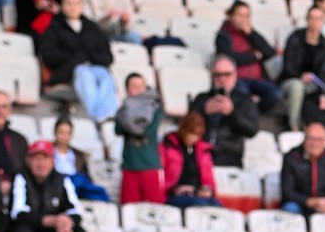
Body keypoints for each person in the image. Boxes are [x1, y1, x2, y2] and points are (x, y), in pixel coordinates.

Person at [40, 0, 117, 123]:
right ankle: (97, 118)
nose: (73, 7)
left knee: (106, 75)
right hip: (67, 71)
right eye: (69, 3)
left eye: (76, 3)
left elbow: (108, 57)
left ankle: (109, 114)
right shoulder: (54, 28)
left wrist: (88, 56)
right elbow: (49, 56)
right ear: (63, 6)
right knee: (83, 74)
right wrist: (76, 57)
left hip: (93, 66)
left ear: (82, 6)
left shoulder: (93, 28)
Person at [280, 4, 325, 133]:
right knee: (297, 86)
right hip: (292, 79)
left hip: (315, 83)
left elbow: (323, 72)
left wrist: (321, 93)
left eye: (319, 18)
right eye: (312, 18)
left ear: (323, 21)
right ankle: (294, 127)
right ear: (307, 19)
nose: (315, 21)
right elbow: (288, 66)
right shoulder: (295, 37)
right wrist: (300, 76)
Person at [9, 139, 86, 232]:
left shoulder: (63, 179)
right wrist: (50, 220)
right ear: (28, 160)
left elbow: (75, 210)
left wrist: (66, 222)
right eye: (36, 158)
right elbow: (17, 213)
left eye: (45, 158)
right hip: (33, 227)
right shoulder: (20, 177)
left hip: (56, 228)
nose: (41, 164)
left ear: (53, 161)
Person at [192, 57, 261, 168]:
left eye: (227, 74)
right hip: (200, 156)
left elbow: (252, 130)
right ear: (212, 76)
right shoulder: (202, 98)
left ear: (235, 75)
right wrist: (203, 114)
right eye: (218, 75)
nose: (222, 79)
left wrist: (232, 113)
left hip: (229, 158)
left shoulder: (244, 100)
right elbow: (186, 128)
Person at [214, 1, 280, 113]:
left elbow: (270, 53)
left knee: (276, 93)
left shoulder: (250, 33)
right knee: (243, 96)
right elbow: (231, 59)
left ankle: (255, 114)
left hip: (258, 78)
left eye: (246, 16)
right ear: (231, 16)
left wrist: (251, 33)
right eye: (240, 15)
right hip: (236, 78)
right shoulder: (223, 35)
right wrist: (255, 56)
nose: (243, 20)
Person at [280, 121, 325, 217]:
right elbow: (287, 192)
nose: (315, 143)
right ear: (304, 139)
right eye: (311, 139)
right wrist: (311, 202)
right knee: (290, 208)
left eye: (319, 139)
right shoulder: (291, 158)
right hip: (301, 204)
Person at [115, 73, 164, 204]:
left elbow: (148, 131)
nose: (138, 90)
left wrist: (128, 124)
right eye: (134, 86)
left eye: (141, 86)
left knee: (154, 207)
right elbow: (117, 130)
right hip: (129, 165)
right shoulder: (123, 111)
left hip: (149, 166)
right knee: (129, 208)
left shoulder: (154, 108)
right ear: (127, 90)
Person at [161, 111, 219, 208]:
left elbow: (208, 177)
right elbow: (161, 177)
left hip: (197, 194)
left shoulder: (203, 151)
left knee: (217, 206)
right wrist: (175, 189)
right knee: (200, 205)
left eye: (197, 135)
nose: (194, 138)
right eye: (191, 133)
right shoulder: (167, 147)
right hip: (175, 194)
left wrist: (208, 190)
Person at [53, 115, 110, 203]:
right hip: (59, 182)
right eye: (61, 132)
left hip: (77, 183)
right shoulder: (48, 152)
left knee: (100, 192)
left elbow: (85, 175)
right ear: (55, 133)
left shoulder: (78, 154)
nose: (64, 137)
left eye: (67, 133)